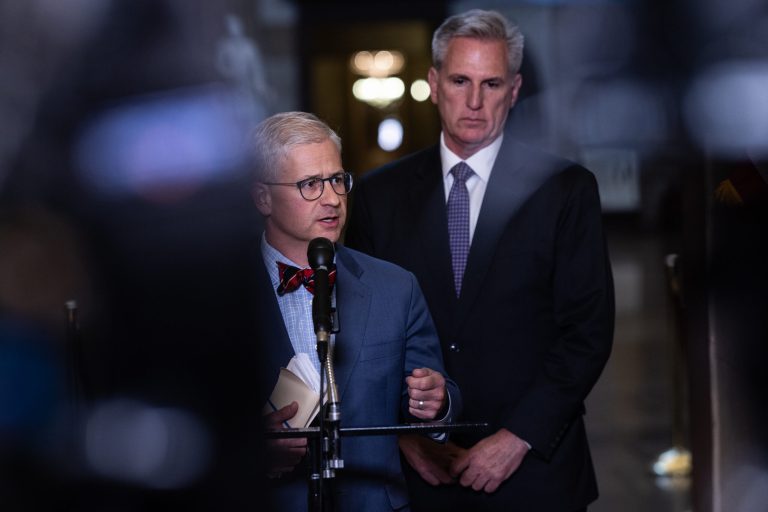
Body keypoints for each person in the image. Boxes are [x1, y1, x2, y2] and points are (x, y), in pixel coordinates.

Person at [345, 9, 614, 512]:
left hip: (536, 468)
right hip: (420, 473)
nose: (474, 101)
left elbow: (587, 332)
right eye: (460, 81)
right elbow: (361, 334)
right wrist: (405, 439)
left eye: (491, 84)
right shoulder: (380, 196)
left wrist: (517, 438)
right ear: (433, 83)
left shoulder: (565, 190)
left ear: (514, 90)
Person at [250, 111, 461, 512]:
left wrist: (436, 403)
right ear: (262, 197)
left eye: (337, 180)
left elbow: (438, 397)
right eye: (310, 184)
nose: (331, 198)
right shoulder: (220, 296)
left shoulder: (395, 288)